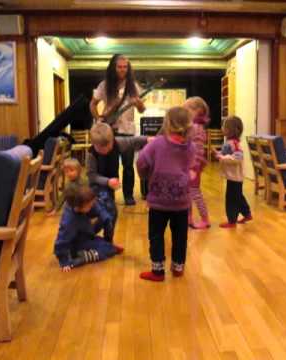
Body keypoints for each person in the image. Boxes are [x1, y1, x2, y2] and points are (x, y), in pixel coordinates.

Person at [136, 106, 195, 282]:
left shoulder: (156, 144)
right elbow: (191, 165)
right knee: (180, 236)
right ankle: (178, 267)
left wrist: (145, 176)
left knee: (156, 235)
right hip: (182, 201)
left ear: (167, 123)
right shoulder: (190, 146)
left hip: (158, 202)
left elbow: (141, 163)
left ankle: (158, 271)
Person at [90, 54, 146, 206]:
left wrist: (138, 103)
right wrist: (98, 119)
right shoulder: (104, 85)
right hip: (110, 130)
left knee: (128, 165)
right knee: (109, 165)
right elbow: (92, 104)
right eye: (119, 67)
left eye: (125, 67)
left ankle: (128, 195)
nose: (122, 70)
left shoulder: (133, 86)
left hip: (127, 129)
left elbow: (142, 110)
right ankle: (109, 195)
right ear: (113, 68)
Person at [87, 122, 148, 242]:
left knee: (110, 214)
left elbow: (133, 141)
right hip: (96, 188)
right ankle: (91, 234)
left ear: (112, 140)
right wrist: (107, 181)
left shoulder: (117, 143)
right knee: (106, 213)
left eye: (107, 146)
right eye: (100, 148)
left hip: (109, 187)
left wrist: (149, 139)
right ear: (94, 144)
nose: (105, 150)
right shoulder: (91, 154)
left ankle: (105, 239)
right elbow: (91, 175)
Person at [53, 185, 124, 272]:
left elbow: (96, 207)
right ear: (80, 206)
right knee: (107, 249)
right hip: (77, 244)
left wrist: (104, 216)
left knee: (106, 244)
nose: (92, 206)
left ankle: (106, 248)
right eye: (90, 206)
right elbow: (61, 241)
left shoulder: (80, 205)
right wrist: (64, 261)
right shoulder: (69, 221)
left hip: (85, 236)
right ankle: (83, 258)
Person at [213, 116, 252, 228]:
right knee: (238, 196)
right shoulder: (230, 142)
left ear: (230, 130)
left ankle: (232, 221)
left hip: (235, 176)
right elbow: (226, 154)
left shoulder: (233, 143)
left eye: (224, 126)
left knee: (231, 199)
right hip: (233, 176)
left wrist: (222, 158)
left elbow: (237, 157)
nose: (222, 128)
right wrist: (220, 155)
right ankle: (247, 214)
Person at [184, 96, 211, 230]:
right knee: (188, 192)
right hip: (190, 165)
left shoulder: (196, 127)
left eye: (187, 110)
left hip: (193, 166)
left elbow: (198, 150)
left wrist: (194, 167)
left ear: (197, 111)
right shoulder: (195, 126)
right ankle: (189, 217)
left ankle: (205, 219)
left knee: (195, 192)